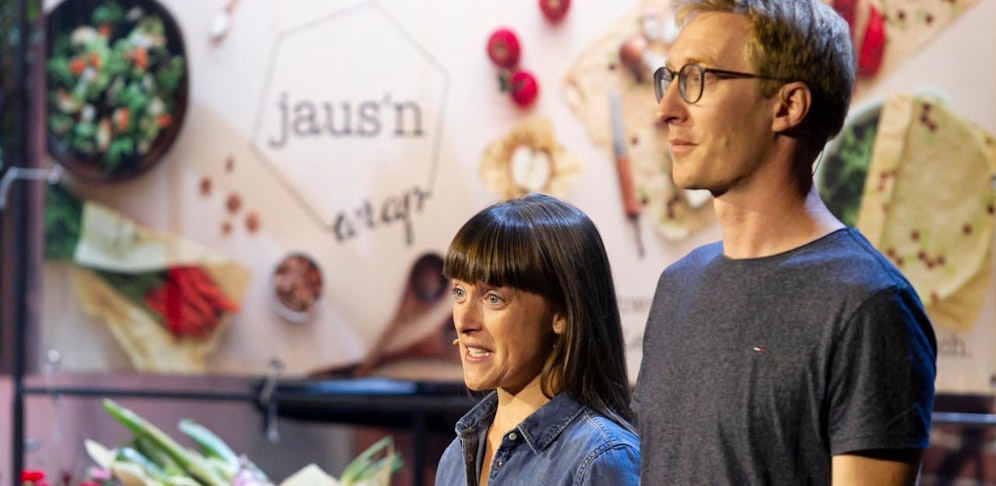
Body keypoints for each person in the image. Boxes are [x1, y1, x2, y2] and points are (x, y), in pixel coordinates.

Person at [633, 1, 937, 485]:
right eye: (668, 79)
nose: (666, 109)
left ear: (787, 106)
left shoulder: (868, 306)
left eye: (696, 78)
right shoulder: (678, 285)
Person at [434, 193, 640, 486]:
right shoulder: (456, 457)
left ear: (563, 313)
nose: (463, 323)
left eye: (493, 298)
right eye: (459, 293)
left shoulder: (601, 459)